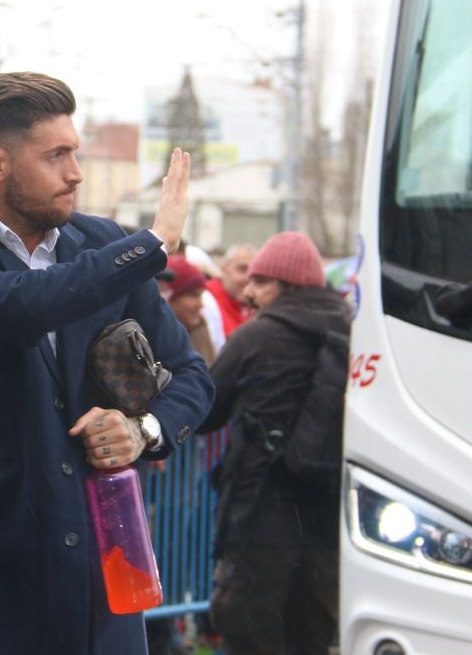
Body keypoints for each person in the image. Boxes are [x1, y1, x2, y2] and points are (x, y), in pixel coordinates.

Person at [0, 71, 214, 655]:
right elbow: (19, 307)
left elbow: (192, 377)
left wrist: (143, 431)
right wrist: (152, 242)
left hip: (105, 599)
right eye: (56, 155)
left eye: (76, 151)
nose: (76, 172)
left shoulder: (101, 243)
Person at [197, 231, 350, 655]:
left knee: (250, 629)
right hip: (328, 515)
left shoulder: (258, 337)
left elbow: (206, 411)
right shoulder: (353, 331)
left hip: (261, 512)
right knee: (312, 633)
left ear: (289, 284)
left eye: (261, 281)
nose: (248, 292)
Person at [201, 243, 257, 352]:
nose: (248, 278)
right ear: (223, 269)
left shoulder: (256, 304)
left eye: (253, 272)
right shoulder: (205, 300)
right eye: (242, 269)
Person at [162, 254, 216, 365]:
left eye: (200, 296)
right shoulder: (156, 337)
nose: (200, 305)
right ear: (169, 297)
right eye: (193, 295)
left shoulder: (200, 327)